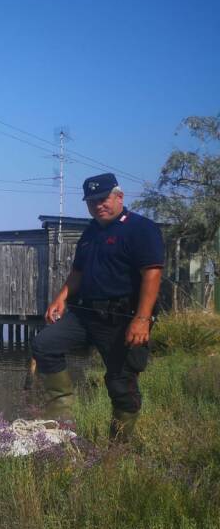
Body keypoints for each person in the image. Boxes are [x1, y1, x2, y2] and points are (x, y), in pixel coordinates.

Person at [31, 173, 164, 442]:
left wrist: (142, 318)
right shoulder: (91, 232)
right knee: (46, 343)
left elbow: (152, 274)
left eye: (103, 199)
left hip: (123, 318)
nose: (98, 205)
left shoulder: (141, 229)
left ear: (119, 197)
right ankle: (61, 425)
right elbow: (77, 272)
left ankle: (118, 447)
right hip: (85, 314)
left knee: (120, 384)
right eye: (92, 201)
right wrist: (61, 297)